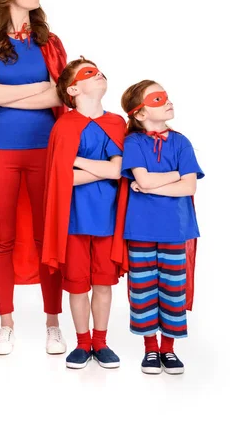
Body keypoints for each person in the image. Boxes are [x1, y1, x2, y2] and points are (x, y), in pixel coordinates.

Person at [0, 0, 67, 355]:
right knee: (1, 240)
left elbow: (60, 95)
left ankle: (53, 323)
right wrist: (36, 90)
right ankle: (6, 324)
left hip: (46, 151)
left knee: (49, 238)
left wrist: (4, 95)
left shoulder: (50, 42)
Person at [43, 57, 128, 369]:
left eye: (100, 72)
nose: (100, 75)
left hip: (107, 218)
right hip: (73, 218)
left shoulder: (116, 123)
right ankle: (82, 343)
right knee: (77, 284)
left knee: (103, 283)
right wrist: (105, 170)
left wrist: (79, 162)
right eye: (90, 73)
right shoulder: (64, 126)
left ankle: (101, 342)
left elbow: (120, 170)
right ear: (73, 89)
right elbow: (62, 179)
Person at [121, 80, 204, 374]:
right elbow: (143, 180)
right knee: (143, 290)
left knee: (173, 289)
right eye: (158, 99)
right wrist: (174, 177)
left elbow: (189, 185)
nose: (167, 102)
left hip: (176, 229)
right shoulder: (133, 142)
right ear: (140, 113)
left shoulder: (181, 142)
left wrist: (150, 185)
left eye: (166, 97)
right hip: (141, 228)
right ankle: (150, 349)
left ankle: (169, 349)